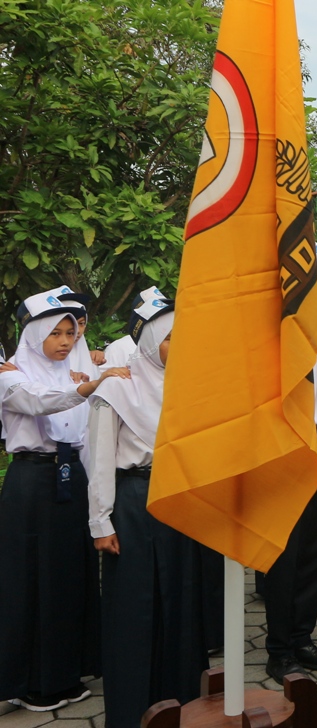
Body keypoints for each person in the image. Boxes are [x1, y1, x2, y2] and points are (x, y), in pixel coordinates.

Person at [0, 289, 132, 711]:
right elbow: (37, 402)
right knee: (32, 580)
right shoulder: (11, 374)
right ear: (34, 334)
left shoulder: (71, 376)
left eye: (70, 333)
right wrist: (88, 387)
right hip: (31, 485)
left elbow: (85, 439)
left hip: (70, 479)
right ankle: (33, 682)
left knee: (70, 576)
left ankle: (70, 669)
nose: (64, 341)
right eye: (54, 333)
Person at [88, 296, 209, 728]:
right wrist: (100, 521)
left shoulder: (188, 385)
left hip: (177, 498)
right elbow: (100, 458)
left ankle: (180, 705)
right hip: (134, 502)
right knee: (133, 608)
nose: (180, 346)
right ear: (151, 340)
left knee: (181, 601)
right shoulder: (116, 388)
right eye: (172, 338)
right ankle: (131, 711)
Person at [260, 243, 317, 683]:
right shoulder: (276, 330)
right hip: (291, 443)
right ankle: (278, 648)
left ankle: (302, 636)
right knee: (287, 550)